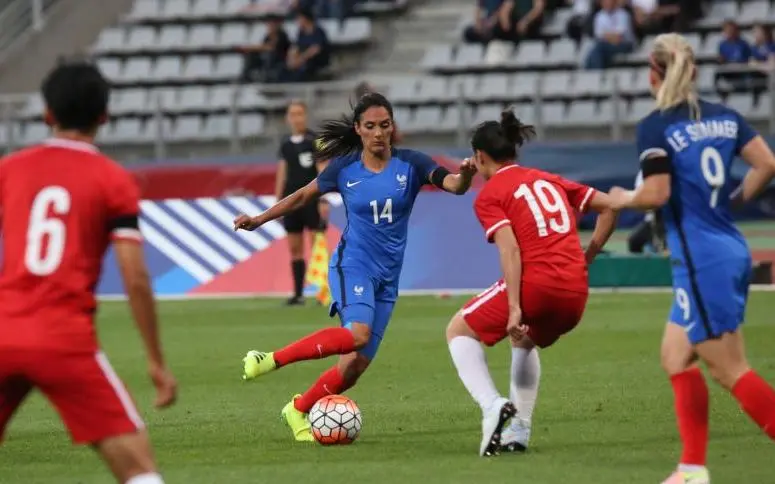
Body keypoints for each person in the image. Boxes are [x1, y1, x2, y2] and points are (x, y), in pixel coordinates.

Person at [233, 92, 477, 442]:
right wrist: (259, 219)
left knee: (354, 366)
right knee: (358, 334)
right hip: (353, 264)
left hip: (388, 278)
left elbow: (453, 186)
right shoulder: (345, 169)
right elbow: (302, 195)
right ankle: (269, 358)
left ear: (393, 127)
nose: (379, 133)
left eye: (385, 125)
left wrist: (465, 176)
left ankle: (299, 409)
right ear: (358, 130)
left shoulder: (413, 164)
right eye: (371, 126)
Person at [607, 33, 775, 484]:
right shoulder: (724, 117)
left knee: (731, 369)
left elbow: (657, 193)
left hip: (701, 258)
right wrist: (733, 201)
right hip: (727, 246)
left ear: (654, 74)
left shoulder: (656, 125)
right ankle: (692, 468)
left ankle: (693, 468)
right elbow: (767, 164)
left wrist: (623, 198)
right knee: (676, 357)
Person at [0, 62, 177, 483]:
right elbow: (134, 277)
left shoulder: (10, 169)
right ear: (104, 116)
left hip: (4, 331)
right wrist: (155, 360)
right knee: (139, 468)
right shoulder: (112, 180)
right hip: (65, 340)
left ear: (47, 114)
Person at [445, 109, 618, 457]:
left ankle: (492, 406)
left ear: (479, 157)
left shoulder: (491, 194)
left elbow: (510, 250)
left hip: (539, 284)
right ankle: (519, 430)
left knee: (459, 329)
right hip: (576, 291)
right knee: (524, 341)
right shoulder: (548, 178)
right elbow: (610, 207)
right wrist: (590, 254)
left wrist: (514, 308)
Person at [276, 100, 329, 305]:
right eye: (292, 114)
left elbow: (322, 167)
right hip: (291, 199)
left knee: (318, 245)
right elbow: (283, 172)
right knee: (294, 247)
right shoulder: (285, 144)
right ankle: (298, 294)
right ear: (288, 118)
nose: (296, 118)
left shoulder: (315, 140)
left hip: (311, 199)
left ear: (305, 116)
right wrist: (278, 200)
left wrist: (323, 197)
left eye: (299, 113)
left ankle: (322, 292)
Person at [282, 8, 331, 83]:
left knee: (304, 69)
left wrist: (301, 59)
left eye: (299, 18)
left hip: (315, 59)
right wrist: (291, 58)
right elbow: (295, 46)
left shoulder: (318, 31)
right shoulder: (301, 32)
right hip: (302, 58)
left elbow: (315, 49)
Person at [239, 15, 291, 83]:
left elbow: (272, 48)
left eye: (272, 24)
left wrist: (254, 47)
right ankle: (246, 77)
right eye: (269, 24)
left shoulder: (282, 36)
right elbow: (264, 46)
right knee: (251, 55)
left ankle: (267, 76)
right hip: (266, 59)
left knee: (269, 55)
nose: (270, 26)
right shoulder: (267, 37)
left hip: (279, 60)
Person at [584, 0, 634, 70]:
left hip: (625, 45)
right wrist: (610, 36)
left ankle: (596, 74)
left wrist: (606, 36)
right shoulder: (599, 16)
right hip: (606, 46)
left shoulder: (623, 14)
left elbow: (619, 38)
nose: (607, 3)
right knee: (596, 51)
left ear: (614, 2)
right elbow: (599, 36)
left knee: (597, 49)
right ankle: (595, 73)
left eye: (609, 1)